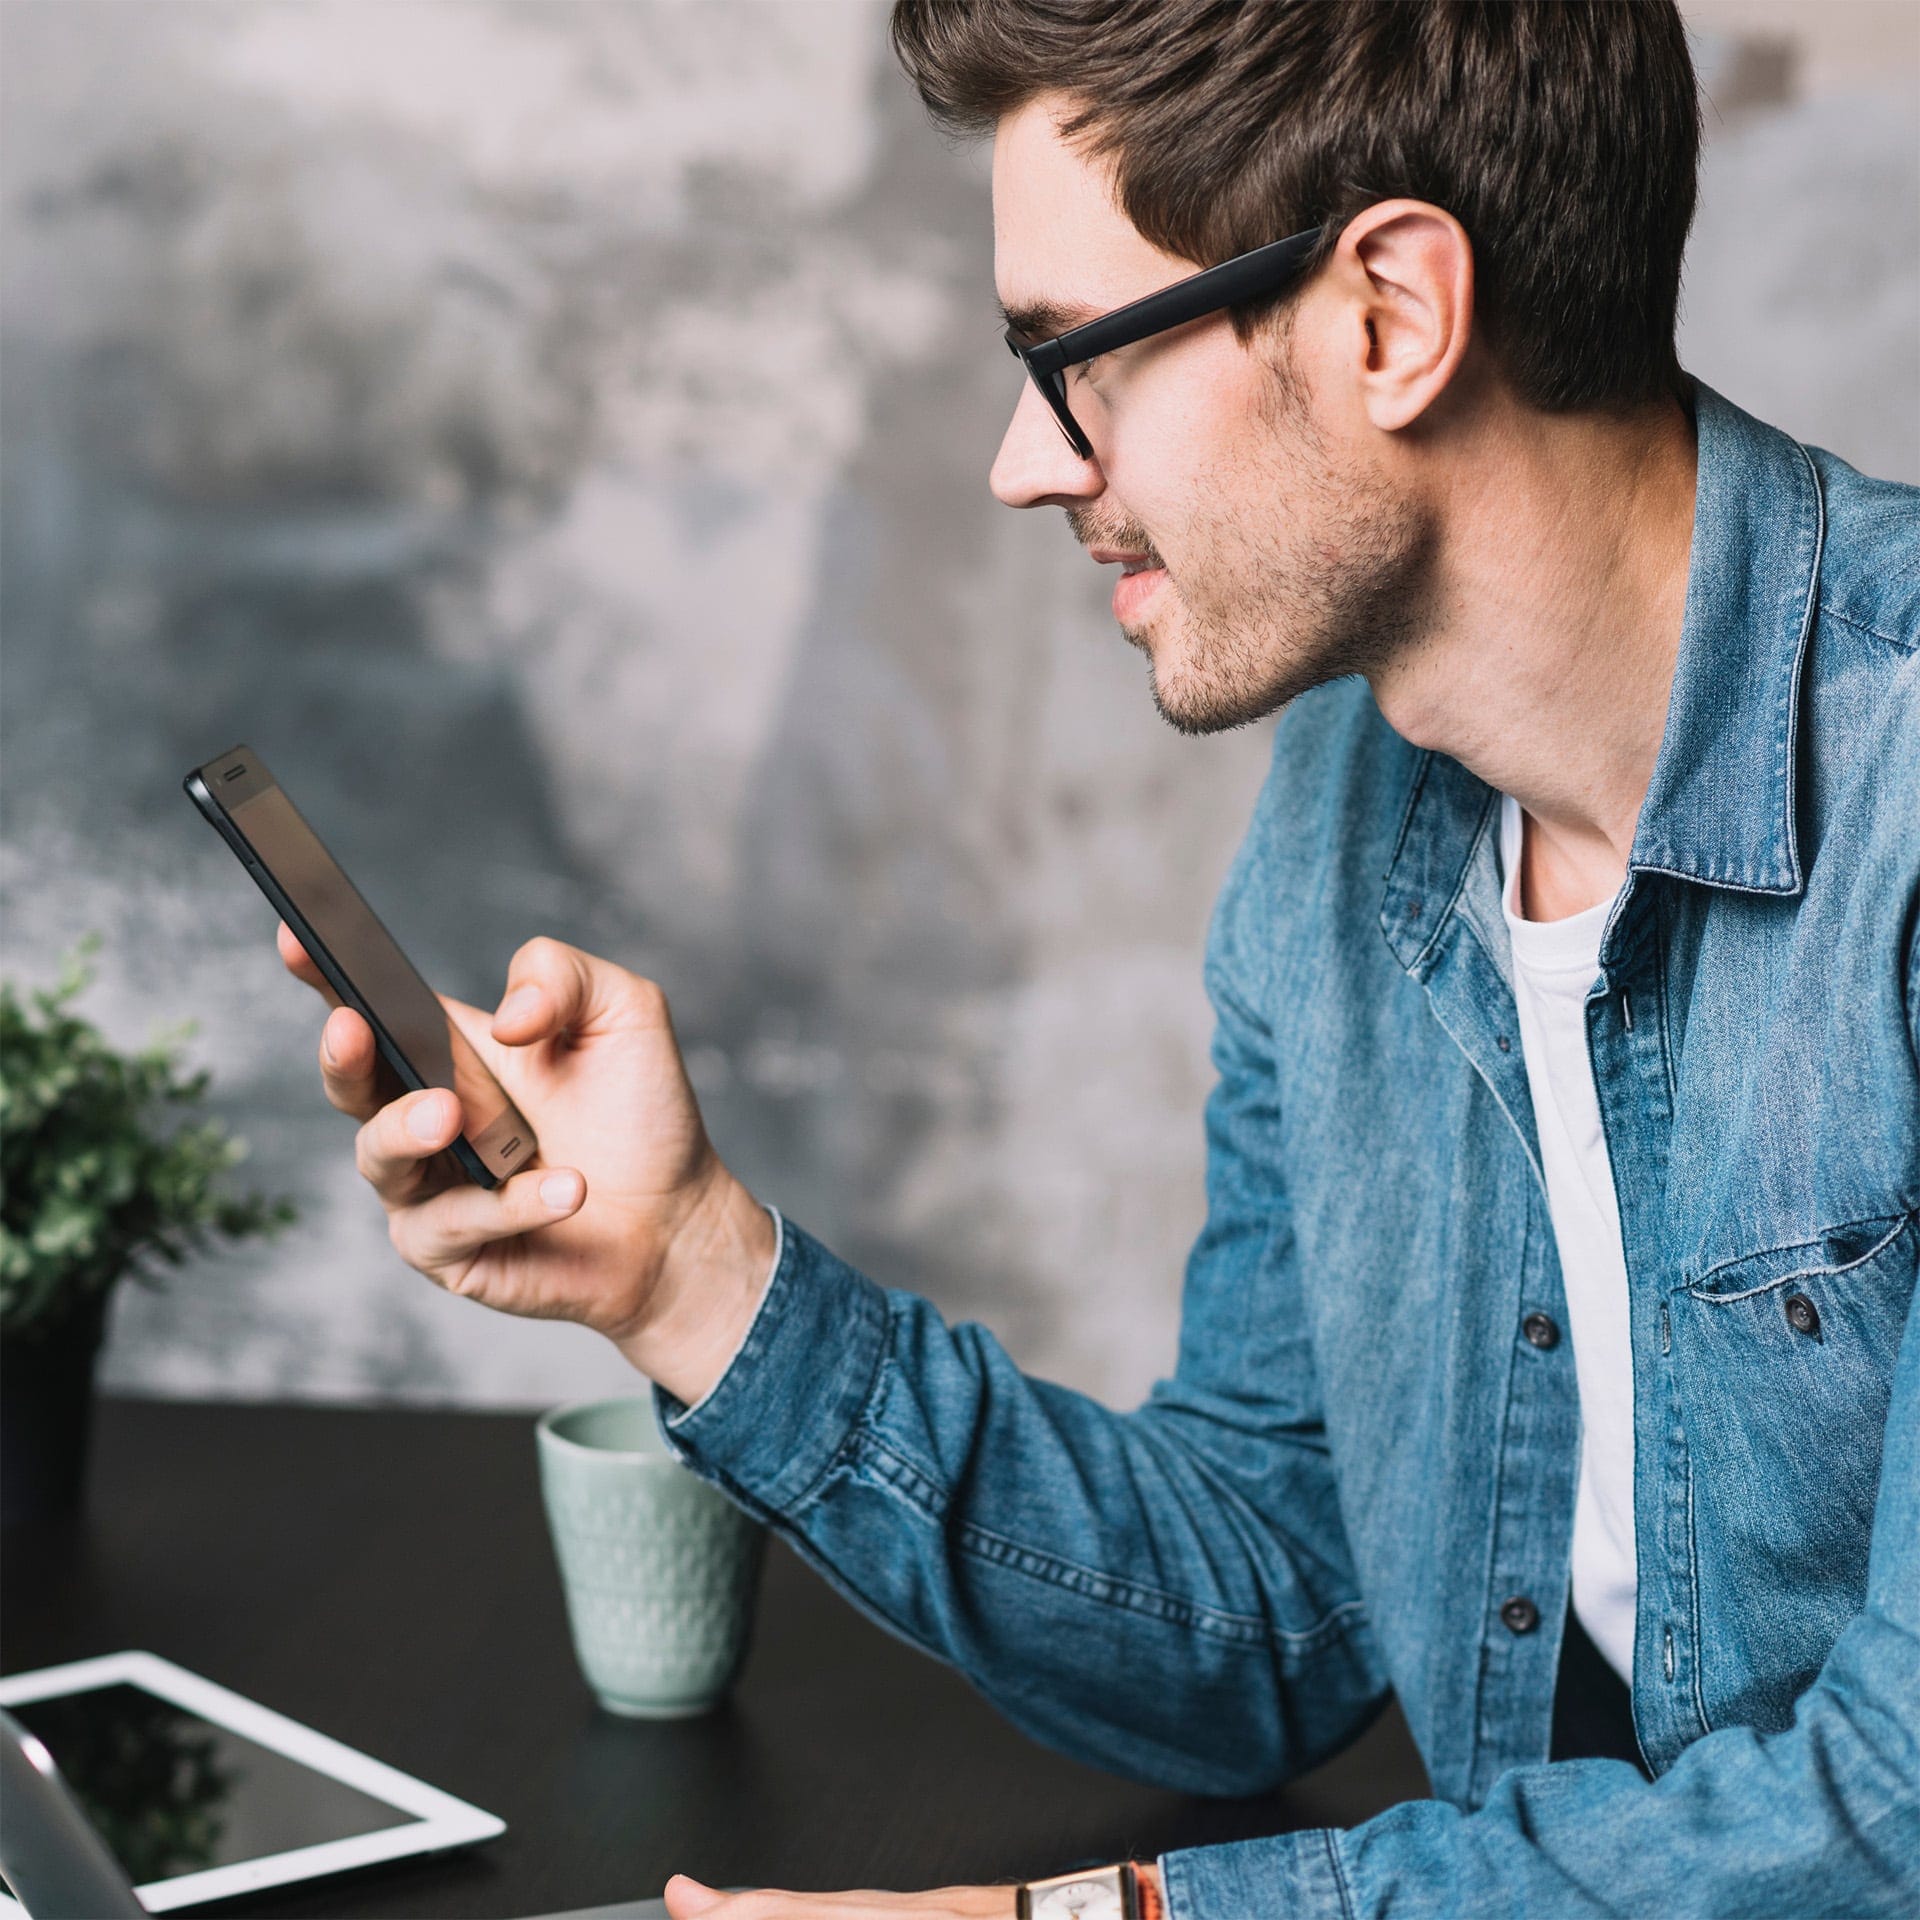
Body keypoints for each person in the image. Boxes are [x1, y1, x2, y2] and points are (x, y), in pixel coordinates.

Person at [279, 3, 1920, 1914]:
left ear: (1389, 315)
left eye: (1073, 361)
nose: (1023, 465)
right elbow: (1277, 1604)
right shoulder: (1351, 813)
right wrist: (684, 1272)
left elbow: (1892, 1811)